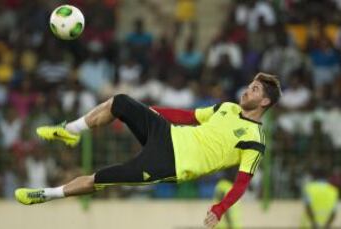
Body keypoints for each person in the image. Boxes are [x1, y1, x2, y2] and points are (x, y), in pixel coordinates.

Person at [14, 72, 281, 228]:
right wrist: (151, 112)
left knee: (102, 178)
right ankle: (71, 131)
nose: (247, 91)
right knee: (121, 102)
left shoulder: (255, 139)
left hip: (170, 164)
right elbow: (189, 116)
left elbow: (242, 182)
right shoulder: (228, 108)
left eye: (254, 89)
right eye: (249, 86)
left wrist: (220, 209)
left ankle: (46, 194)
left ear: (265, 101)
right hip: (168, 134)